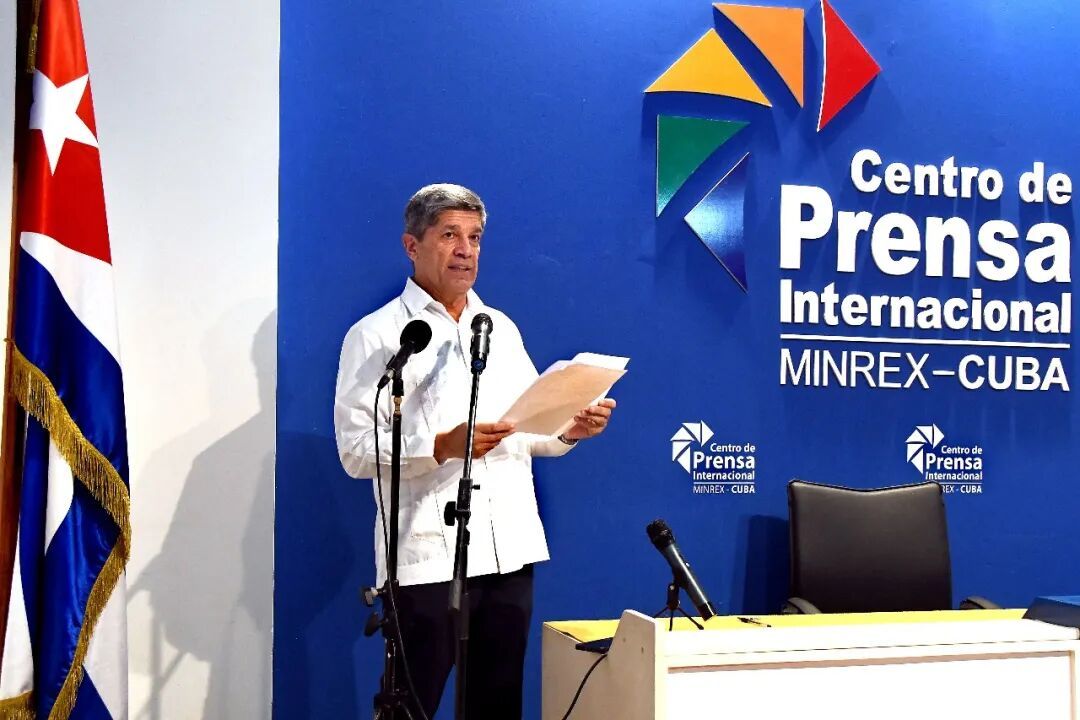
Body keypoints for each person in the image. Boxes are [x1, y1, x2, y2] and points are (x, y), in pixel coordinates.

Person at [334, 183, 616, 718]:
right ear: (412, 245)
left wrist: (569, 429)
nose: (465, 250)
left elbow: (526, 430)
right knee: (410, 706)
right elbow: (355, 449)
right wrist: (438, 446)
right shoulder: (377, 335)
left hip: (508, 548)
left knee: (497, 705)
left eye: (475, 238)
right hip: (426, 558)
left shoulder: (499, 329)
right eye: (449, 236)